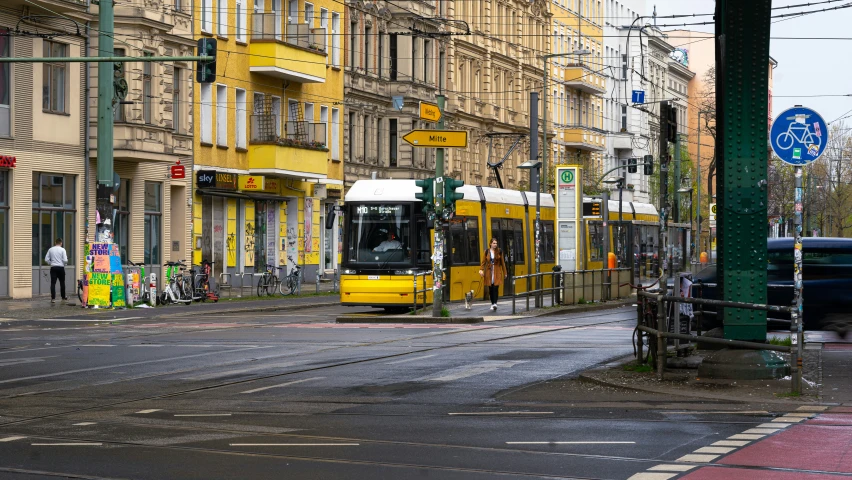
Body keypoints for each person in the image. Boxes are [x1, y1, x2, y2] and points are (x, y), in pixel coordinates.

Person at [479, 238, 507, 311]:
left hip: (497, 271)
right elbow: (483, 262)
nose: (495, 245)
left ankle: (495, 303)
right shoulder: (486, 252)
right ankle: (492, 303)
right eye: (494, 243)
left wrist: (505, 273)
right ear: (490, 244)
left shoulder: (499, 251)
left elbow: (503, 263)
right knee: (490, 288)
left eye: (496, 243)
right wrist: (481, 270)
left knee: (495, 287)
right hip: (489, 271)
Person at [45, 237, 69, 303]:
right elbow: (65, 260)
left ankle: (53, 298)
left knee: (53, 283)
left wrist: (51, 263)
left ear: (55, 242)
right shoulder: (63, 250)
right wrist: (65, 263)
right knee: (62, 282)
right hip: (61, 268)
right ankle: (63, 297)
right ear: (61, 243)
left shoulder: (50, 249)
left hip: (53, 268)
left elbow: (46, 259)